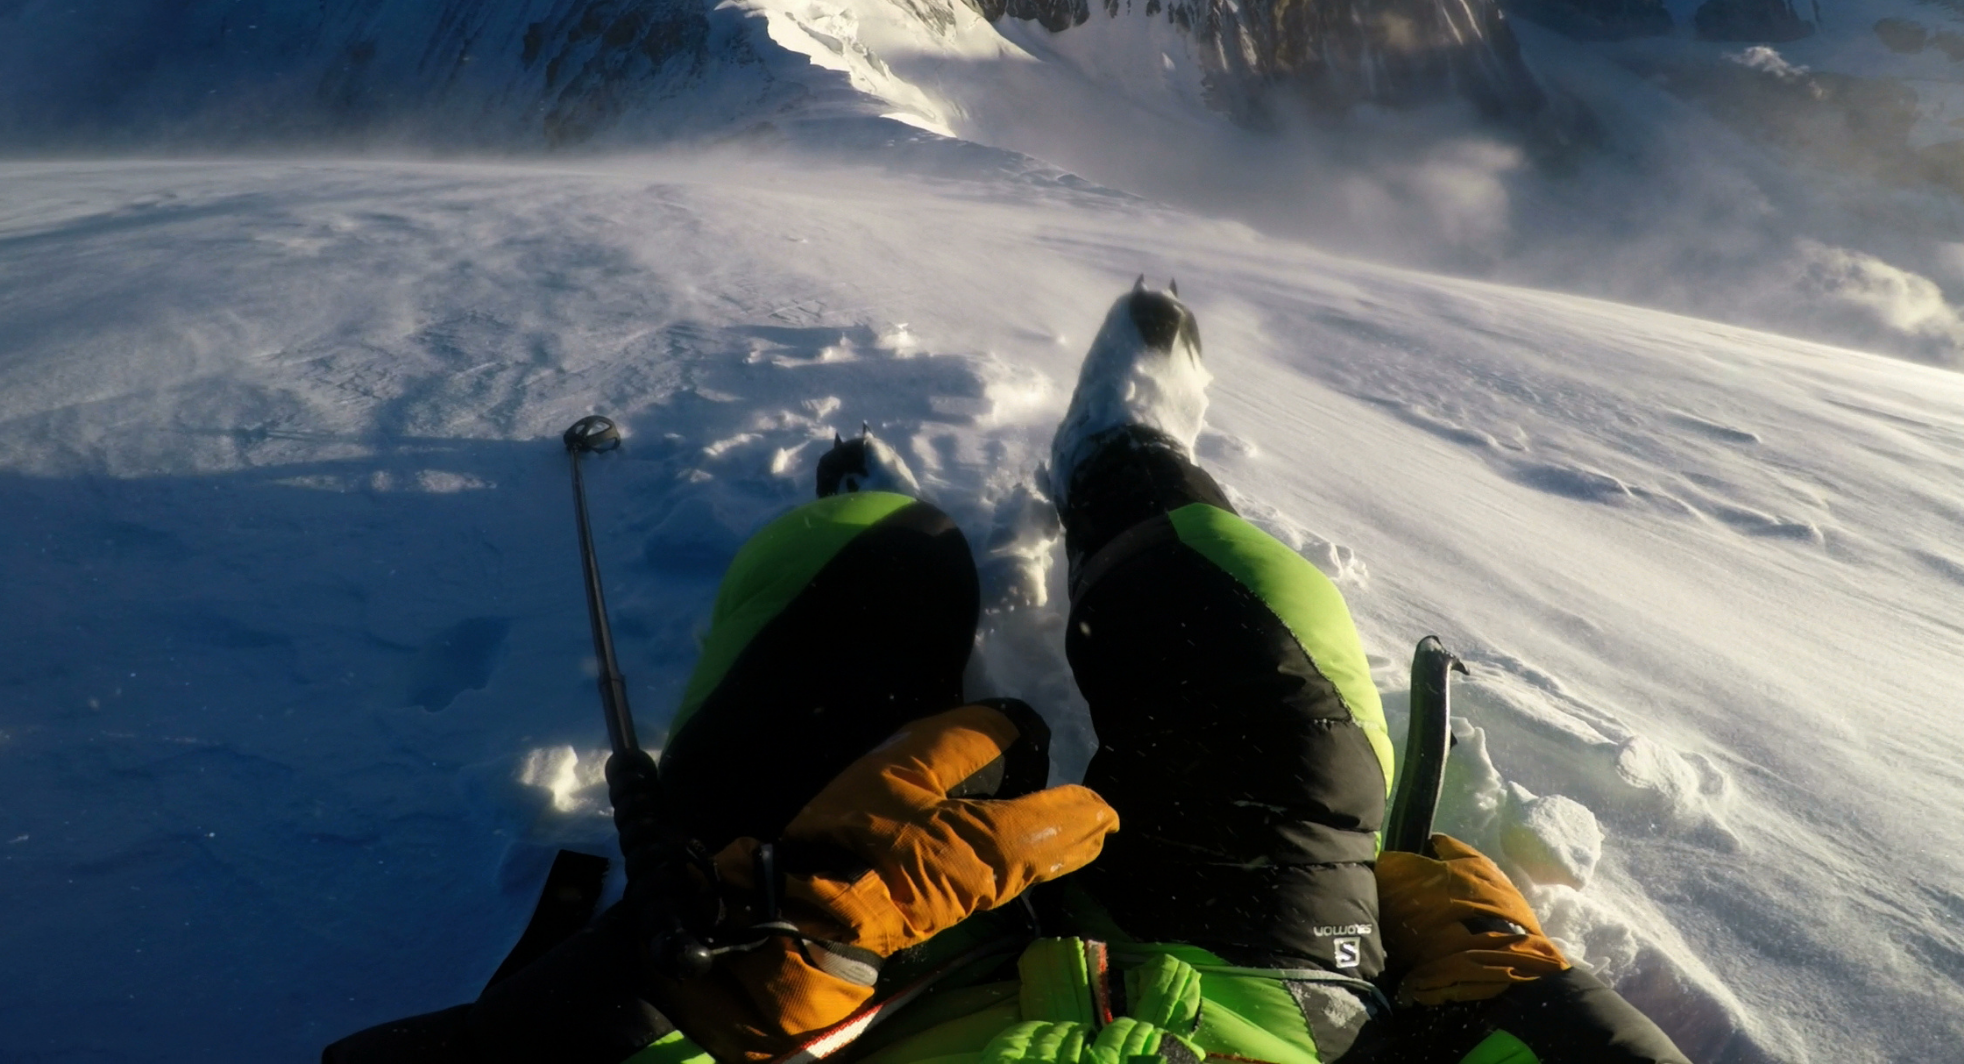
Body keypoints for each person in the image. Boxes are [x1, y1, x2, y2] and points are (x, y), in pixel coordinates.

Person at [326, 283, 1688, 1064]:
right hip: (1267, 998)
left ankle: (875, 516)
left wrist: (694, 994)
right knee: (1246, 603)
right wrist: (1528, 1007)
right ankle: (1118, 467)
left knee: (863, 563)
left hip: (849, 1020)